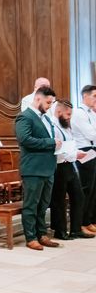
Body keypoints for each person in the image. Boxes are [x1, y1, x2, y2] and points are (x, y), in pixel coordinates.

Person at [15, 86, 62, 251]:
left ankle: (42, 234)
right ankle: (31, 237)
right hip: (33, 169)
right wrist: (51, 143)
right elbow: (25, 139)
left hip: (48, 167)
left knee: (43, 205)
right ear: (38, 98)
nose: (50, 106)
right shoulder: (24, 117)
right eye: (48, 102)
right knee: (31, 205)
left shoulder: (46, 118)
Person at [49, 100, 94, 240]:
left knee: (79, 196)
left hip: (70, 165)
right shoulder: (53, 126)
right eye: (68, 114)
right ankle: (60, 231)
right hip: (59, 166)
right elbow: (57, 149)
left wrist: (78, 152)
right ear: (59, 111)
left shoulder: (66, 126)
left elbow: (70, 144)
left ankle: (76, 229)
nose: (69, 117)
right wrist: (75, 154)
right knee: (59, 199)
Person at [71, 84, 96, 234]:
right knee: (86, 188)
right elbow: (91, 135)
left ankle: (90, 220)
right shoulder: (79, 113)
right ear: (85, 96)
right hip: (85, 152)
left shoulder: (91, 113)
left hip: (93, 151)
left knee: (94, 189)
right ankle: (82, 222)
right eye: (94, 96)